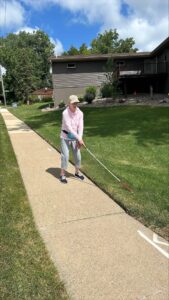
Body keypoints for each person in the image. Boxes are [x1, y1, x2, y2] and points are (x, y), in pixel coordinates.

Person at [60, 95, 85, 183]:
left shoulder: (80, 113)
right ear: (69, 103)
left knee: (78, 156)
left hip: (75, 137)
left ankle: (77, 173)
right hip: (65, 136)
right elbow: (69, 128)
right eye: (73, 103)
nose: (75, 104)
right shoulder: (65, 113)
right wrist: (78, 138)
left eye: (76, 103)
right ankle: (62, 174)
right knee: (65, 155)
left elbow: (81, 127)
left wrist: (79, 138)